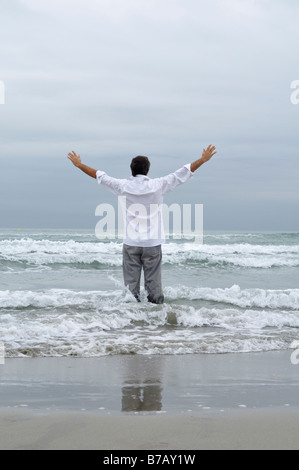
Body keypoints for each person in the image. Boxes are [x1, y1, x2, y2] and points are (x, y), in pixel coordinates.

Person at [67, 145, 217, 304]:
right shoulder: (158, 185)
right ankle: (156, 318)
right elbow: (182, 173)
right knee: (154, 286)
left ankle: (131, 320)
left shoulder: (122, 186)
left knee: (130, 289)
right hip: (152, 243)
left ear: (132, 170)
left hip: (131, 243)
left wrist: (79, 165)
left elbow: (99, 175)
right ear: (147, 171)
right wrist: (203, 159)